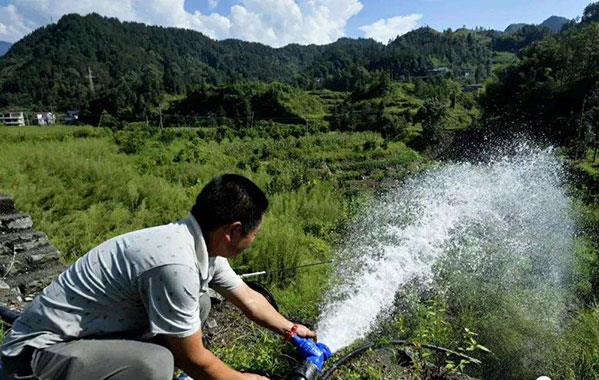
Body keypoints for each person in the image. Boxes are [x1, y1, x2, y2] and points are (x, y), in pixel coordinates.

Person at [1, 174, 316, 380]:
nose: (254, 239)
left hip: (84, 338)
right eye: (255, 233)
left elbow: (247, 298)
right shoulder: (175, 265)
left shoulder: (197, 243)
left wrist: (290, 330)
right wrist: (243, 378)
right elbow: (193, 360)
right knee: (155, 364)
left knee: (200, 303)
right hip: (34, 358)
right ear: (233, 231)